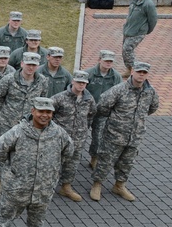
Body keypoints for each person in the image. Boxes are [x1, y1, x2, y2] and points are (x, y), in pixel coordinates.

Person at [0, 97, 75, 227]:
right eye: (41, 111)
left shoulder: (58, 133)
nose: (45, 115)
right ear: (33, 111)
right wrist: (13, 169)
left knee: (37, 221)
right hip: (17, 187)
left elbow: (68, 152)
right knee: (6, 219)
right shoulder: (19, 131)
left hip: (43, 188)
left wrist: (50, 171)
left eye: (48, 112)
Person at [90, 62, 159, 202]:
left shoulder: (150, 92)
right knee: (105, 160)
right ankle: (97, 185)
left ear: (147, 75)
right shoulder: (119, 89)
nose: (141, 74)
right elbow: (103, 106)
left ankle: (119, 185)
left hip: (135, 136)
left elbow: (153, 108)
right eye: (139, 71)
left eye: (144, 73)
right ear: (132, 71)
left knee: (127, 163)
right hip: (114, 135)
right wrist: (117, 121)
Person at [0, 52, 49, 202]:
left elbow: (42, 101)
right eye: (28, 64)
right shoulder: (8, 79)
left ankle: (18, 184)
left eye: (33, 65)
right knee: (2, 154)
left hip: (28, 125)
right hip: (7, 123)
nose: (30, 67)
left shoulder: (43, 81)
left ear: (38, 66)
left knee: (24, 155)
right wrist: (4, 114)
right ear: (21, 64)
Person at [51, 70, 96, 202]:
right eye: (79, 82)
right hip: (59, 139)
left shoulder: (89, 99)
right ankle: (44, 188)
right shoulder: (59, 98)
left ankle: (66, 187)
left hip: (78, 139)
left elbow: (92, 114)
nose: (81, 85)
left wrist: (83, 129)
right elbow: (47, 115)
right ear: (73, 81)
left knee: (72, 164)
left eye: (84, 83)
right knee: (52, 163)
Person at [85, 50, 123, 168]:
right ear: (99, 60)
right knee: (79, 135)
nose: (108, 63)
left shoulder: (116, 77)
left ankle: (94, 158)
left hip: (103, 113)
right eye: (106, 60)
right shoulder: (88, 74)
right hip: (86, 111)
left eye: (110, 61)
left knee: (98, 137)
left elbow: (119, 93)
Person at [122, 0, 157, 75]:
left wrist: (146, 30)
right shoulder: (135, 1)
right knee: (125, 51)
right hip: (128, 30)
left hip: (138, 32)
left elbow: (153, 20)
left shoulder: (148, 4)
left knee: (127, 49)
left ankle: (137, 70)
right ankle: (129, 70)